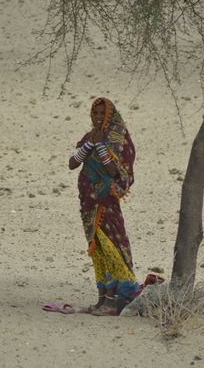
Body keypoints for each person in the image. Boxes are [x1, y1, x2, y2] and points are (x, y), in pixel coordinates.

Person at [69, 97, 139, 316]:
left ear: (110, 115)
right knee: (97, 249)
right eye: (95, 114)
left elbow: (114, 172)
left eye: (102, 114)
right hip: (88, 202)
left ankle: (112, 301)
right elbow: (72, 163)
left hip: (105, 202)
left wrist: (99, 144)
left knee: (111, 248)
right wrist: (91, 142)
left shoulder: (118, 139)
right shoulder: (89, 136)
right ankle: (101, 300)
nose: (98, 117)